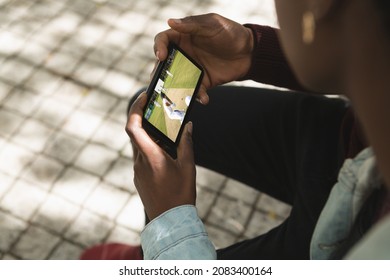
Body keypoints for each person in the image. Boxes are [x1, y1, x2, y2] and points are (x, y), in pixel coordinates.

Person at [81, 0, 390, 260]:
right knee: (154, 119)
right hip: (348, 141)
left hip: (340, 233)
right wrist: (252, 49)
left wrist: (171, 229)